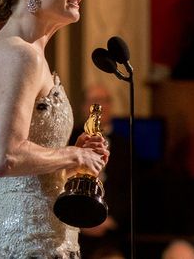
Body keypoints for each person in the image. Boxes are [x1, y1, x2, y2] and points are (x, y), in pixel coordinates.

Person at [0, 0, 110, 258]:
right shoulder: (20, 55)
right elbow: (6, 157)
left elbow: (24, 166)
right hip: (25, 244)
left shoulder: (22, 53)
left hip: (33, 238)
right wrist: (75, 157)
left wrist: (69, 156)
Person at [70, 84, 130, 259]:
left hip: (114, 231)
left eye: (104, 102)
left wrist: (112, 220)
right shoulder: (70, 141)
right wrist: (80, 223)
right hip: (76, 228)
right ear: (83, 107)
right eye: (94, 103)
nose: (99, 108)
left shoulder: (126, 146)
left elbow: (130, 189)